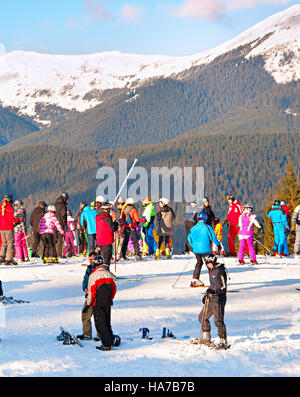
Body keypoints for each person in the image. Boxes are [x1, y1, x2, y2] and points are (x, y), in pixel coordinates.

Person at [193, 254, 228, 350]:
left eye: (209, 264)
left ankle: (223, 341)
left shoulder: (220, 271)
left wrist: (214, 291)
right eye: (206, 264)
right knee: (202, 317)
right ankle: (206, 337)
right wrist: (206, 294)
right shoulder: (211, 270)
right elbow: (213, 285)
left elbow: (223, 286)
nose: (208, 266)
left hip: (219, 298)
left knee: (218, 321)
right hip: (211, 298)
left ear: (213, 262)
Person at [85, 255, 119, 351]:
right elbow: (114, 289)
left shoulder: (93, 276)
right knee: (107, 322)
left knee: (100, 324)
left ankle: (107, 344)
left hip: (98, 303)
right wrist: (109, 298)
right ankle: (111, 339)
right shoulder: (109, 274)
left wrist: (89, 303)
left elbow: (91, 292)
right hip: (107, 302)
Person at [188, 212, 220, 287]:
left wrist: (194, 246)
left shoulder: (193, 228)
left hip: (196, 250)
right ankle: (214, 281)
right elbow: (213, 237)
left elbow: (189, 238)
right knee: (209, 263)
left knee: (199, 263)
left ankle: (195, 280)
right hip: (205, 249)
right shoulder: (207, 227)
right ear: (205, 218)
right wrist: (218, 245)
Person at [77, 251, 101, 341]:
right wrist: (85, 288)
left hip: (97, 296)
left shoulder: (99, 269)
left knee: (98, 316)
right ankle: (87, 334)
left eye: (92, 259)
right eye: (89, 259)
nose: (90, 261)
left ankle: (100, 334)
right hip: (89, 295)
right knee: (85, 314)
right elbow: (85, 280)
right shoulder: (89, 268)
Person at [95, 201, 119, 267]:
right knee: (107, 259)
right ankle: (106, 273)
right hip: (107, 240)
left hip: (100, 240)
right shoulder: (106, 217)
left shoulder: (98, 216)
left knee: (102, 259)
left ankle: (101, 272)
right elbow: (112, 229)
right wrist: (116, 224)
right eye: (109, 209)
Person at [0, 194, 20, 265]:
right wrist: (17, 220)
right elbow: (11, 219)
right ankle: (9, 259)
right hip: (8, 228)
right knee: (10, 244)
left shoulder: (1, 207)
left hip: (1, 228)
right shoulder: (9, 208)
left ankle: (1, 257)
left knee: (4, 243)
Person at [13, 200, 29, 264]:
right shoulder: (23, 210)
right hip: (23, 229)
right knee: (23, 244)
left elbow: (14, 220)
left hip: (17, 229)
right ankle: (25, 256)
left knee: (17, 244)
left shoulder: (16, 211)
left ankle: (19, 257)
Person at [54, 192, 69, 258]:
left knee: (54, 239)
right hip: (60, 224)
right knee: (60, 240)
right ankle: (59, 255)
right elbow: (63, 215)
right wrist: (65, 224)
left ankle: (52, 254)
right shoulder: (63, 205)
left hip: (54, 224)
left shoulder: (55, 204)